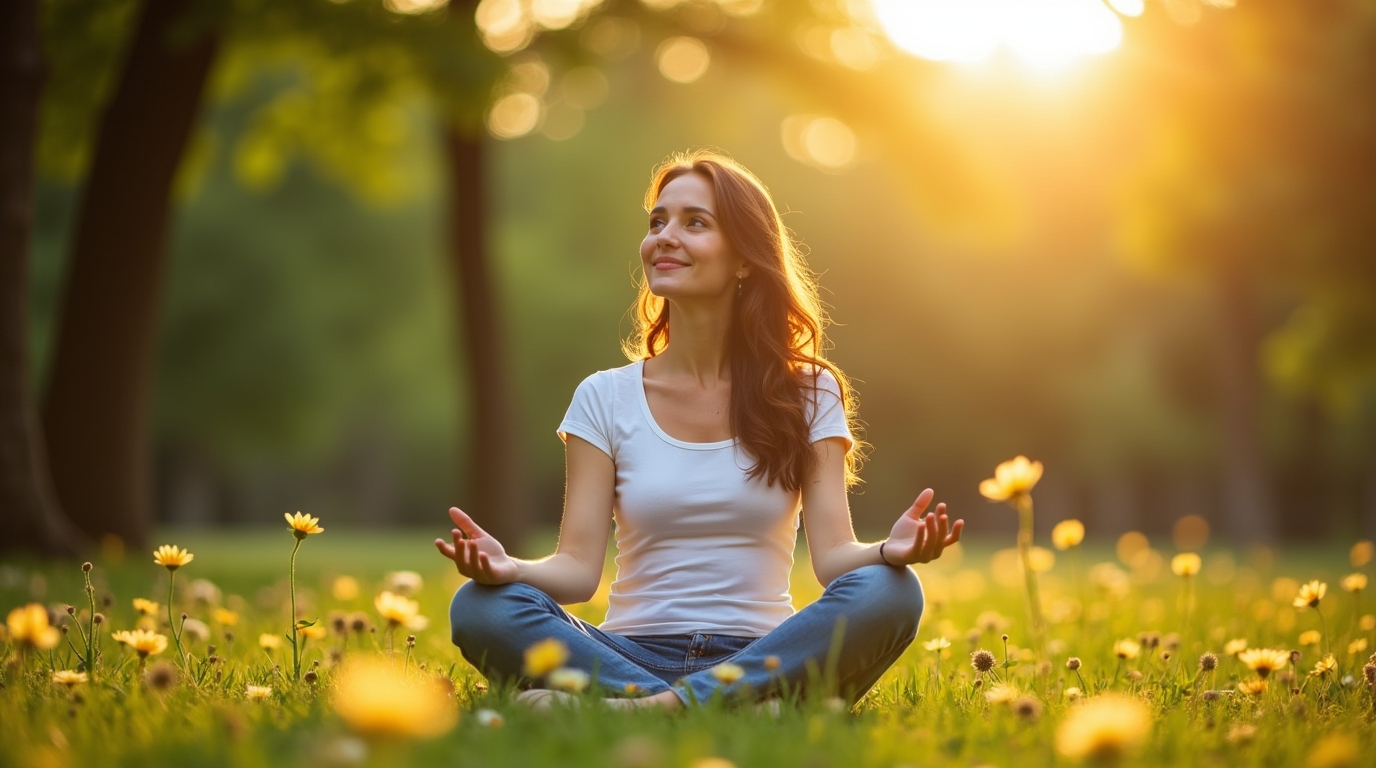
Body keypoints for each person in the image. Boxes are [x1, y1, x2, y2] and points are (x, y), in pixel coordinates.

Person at [435, 150, 964, 710]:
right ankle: (742, 709)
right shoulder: (604, 396)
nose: (664, 236)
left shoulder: (808, 391)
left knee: (891, 590)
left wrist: (889, 550)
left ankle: (649, 709)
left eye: (695, 223)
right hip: (626, 655)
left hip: (764, 654)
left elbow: (832, 556)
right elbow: (576, 571)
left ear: (743, 258)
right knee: (479, 605)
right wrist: (506, 568)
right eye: (657, 221)